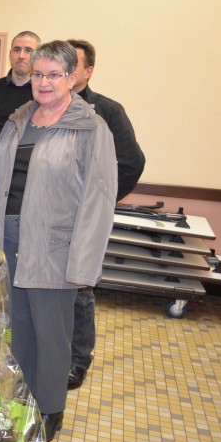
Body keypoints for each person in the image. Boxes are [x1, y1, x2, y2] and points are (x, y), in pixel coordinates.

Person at [0, 40, 117, 442]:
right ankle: (21, 401)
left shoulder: (90, 127)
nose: (44, 82)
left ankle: (50, 408)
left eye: (54, 74)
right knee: (16, 328)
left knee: (51, 332)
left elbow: (99, 198)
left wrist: (83, 264)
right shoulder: (19, 119)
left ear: (73, 78)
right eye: (38, 74)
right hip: (7, 237)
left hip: (55, 246)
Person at [65, 39, 145, 390]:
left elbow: (131, 163)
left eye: (71, 65)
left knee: (79, 287)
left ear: (87, 72)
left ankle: (78, 360)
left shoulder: (107, 112)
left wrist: (100, 202)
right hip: (44, 215)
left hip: (84, 216)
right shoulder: (38, 108)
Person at [0, 31, 41, 135]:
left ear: (38, 56)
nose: (21, 56)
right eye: (17, 50)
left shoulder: (43, 91)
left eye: (28, 51)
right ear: (9, 55)